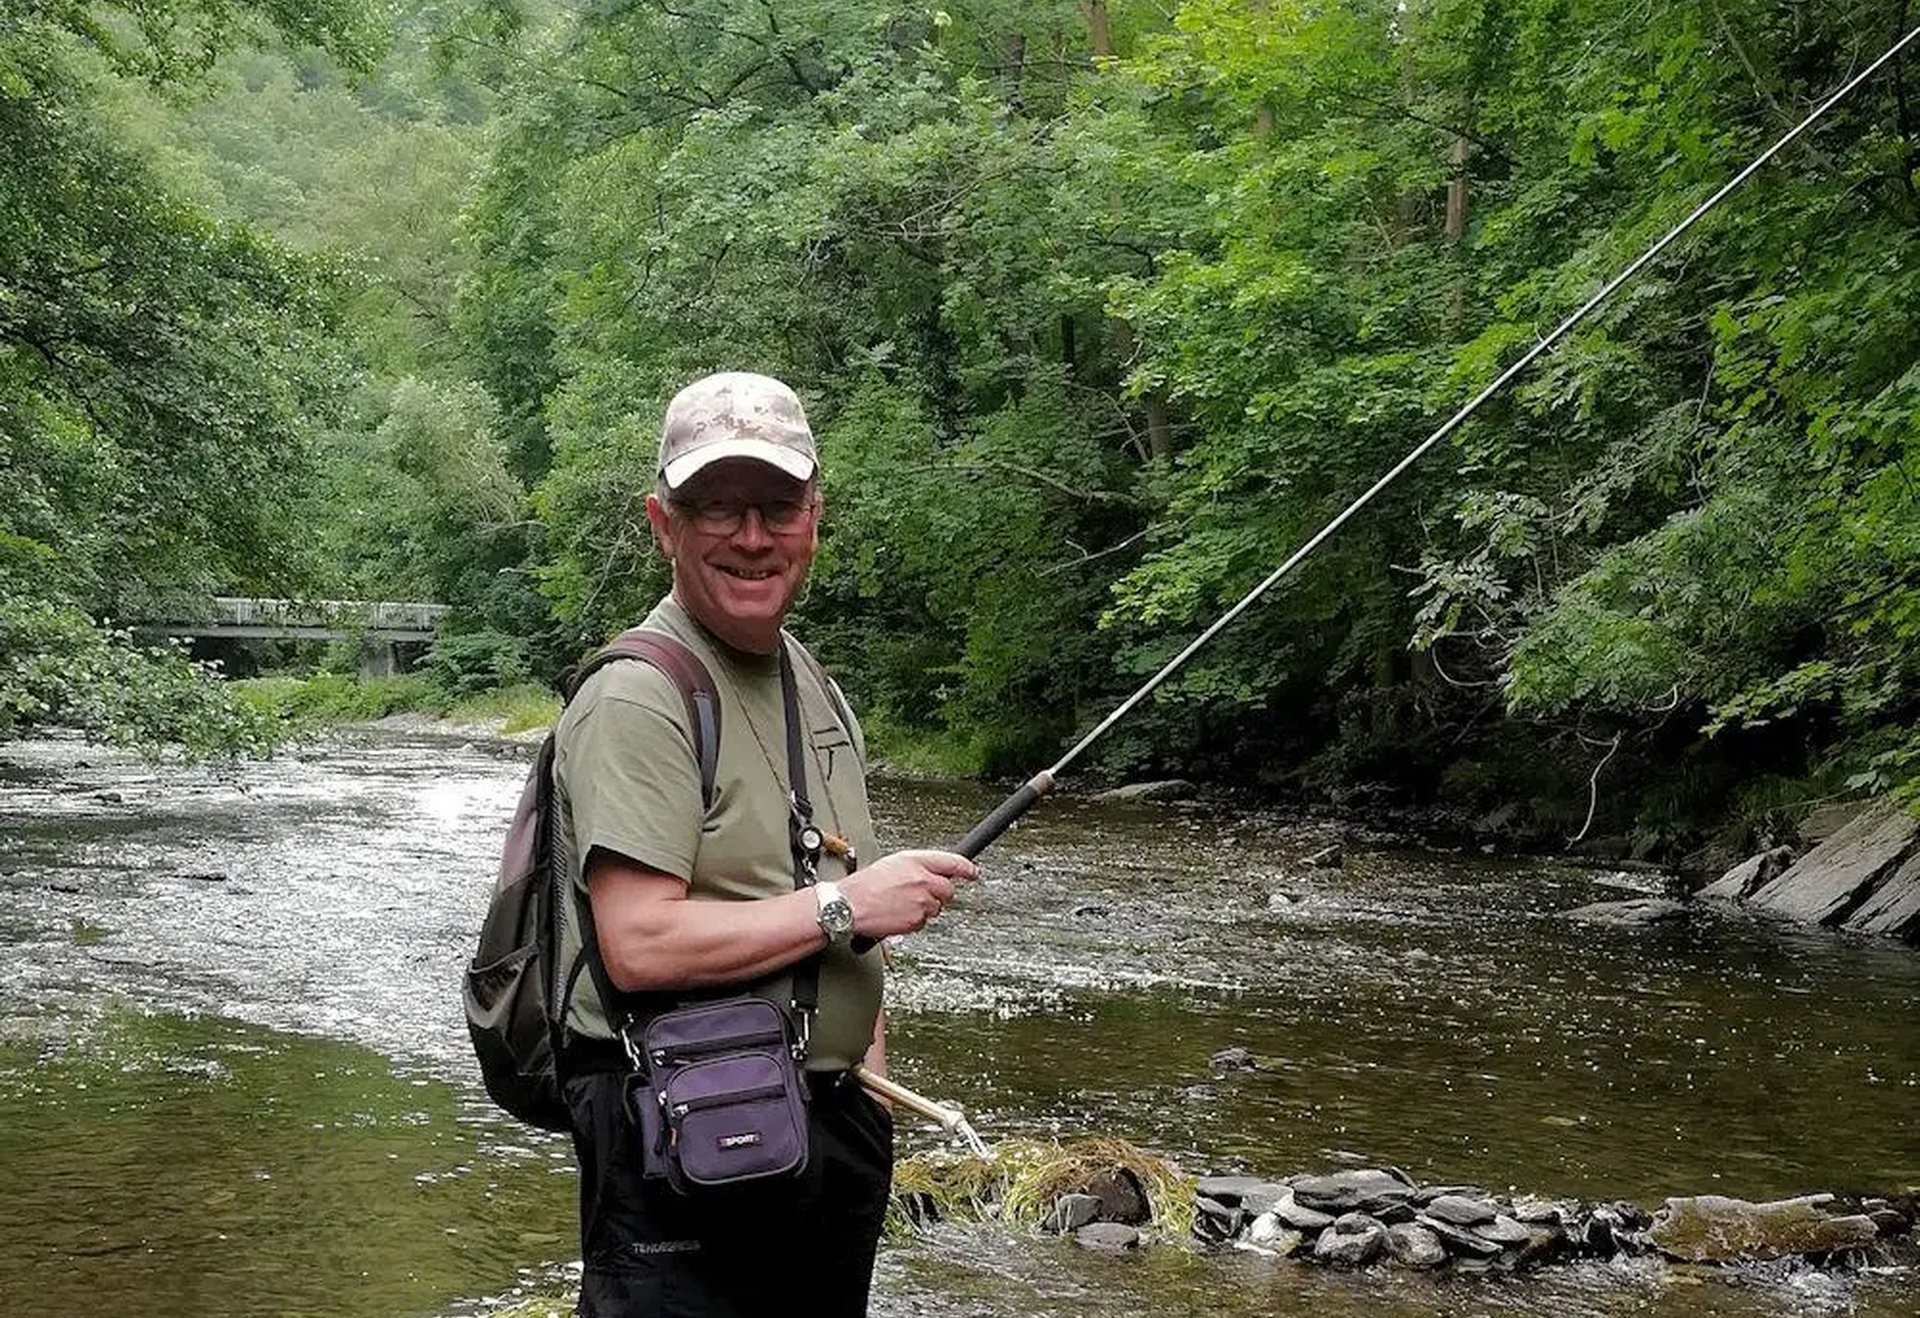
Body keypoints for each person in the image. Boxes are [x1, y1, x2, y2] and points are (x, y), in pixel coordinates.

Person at [548, 370, 977, 1317]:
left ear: (814, 517)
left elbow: (841, 916)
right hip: (683, 1142)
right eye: (718, 508)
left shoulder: (810, 683)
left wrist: (866, 1099)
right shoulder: (638, 697)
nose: (752, 537)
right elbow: (639, 942)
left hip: (822, 1136)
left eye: (777, 506)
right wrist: (846, 910)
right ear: (664, 524)